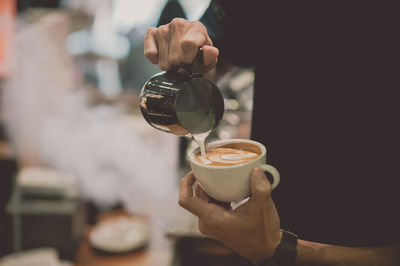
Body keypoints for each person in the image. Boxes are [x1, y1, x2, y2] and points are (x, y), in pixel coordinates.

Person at [144, 1, 400, 265]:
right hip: (262, 229)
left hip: (350, 232)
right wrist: (193, 55)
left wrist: (281, 250)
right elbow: (215, 49)